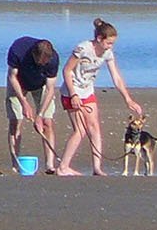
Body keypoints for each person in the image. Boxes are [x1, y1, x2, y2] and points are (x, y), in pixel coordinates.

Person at [57, 18, 144, 176]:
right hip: (71, 91)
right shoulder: (83, 48)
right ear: (99, 39)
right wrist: (73, 94)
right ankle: (63, 167)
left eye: (112, 43)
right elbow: (66, 71)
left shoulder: (107, 54)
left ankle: (97, 167)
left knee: (95, 127)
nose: (110, 47)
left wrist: (128, 99)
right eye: (109, 43)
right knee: (80, 130)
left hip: (87, 91)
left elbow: (116, 76)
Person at [5, 36, 60, 173]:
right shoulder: (18, 49)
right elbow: (12, 77)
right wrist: (24, 102)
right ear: (33, 55)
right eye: (38, 62)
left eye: (44, 63)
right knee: (15, 121)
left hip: (40, 85)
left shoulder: (53, 59)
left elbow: (50, 89)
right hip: (19, 82)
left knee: (47, 122)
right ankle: (16, 165)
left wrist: (39, 115)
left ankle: (49, 165)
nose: (41, 65)